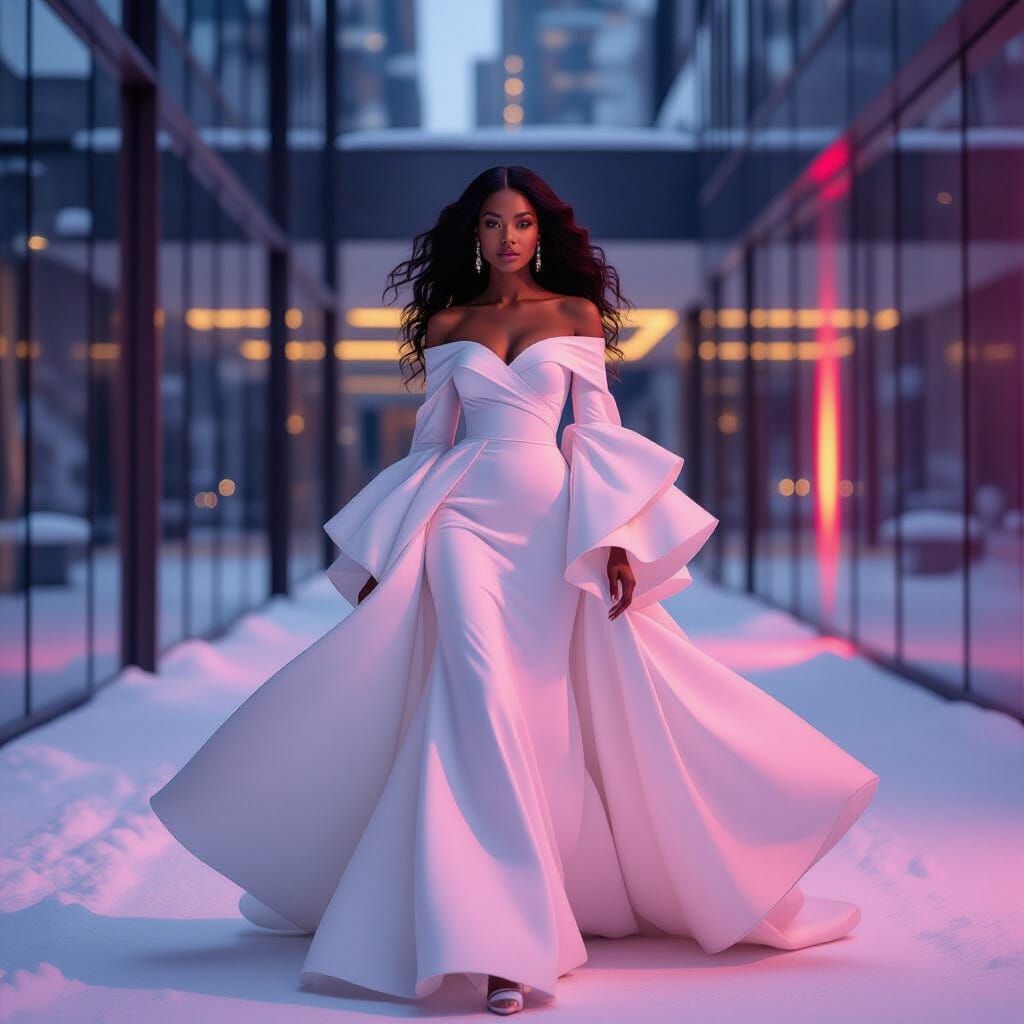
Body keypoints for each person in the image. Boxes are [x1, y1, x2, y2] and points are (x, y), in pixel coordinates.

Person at [149, 165, 880, 1016]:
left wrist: (615, 540)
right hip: (460, 522)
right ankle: (500, 946)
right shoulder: (449, 323)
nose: (508, 237)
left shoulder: (574, 316)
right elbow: (431, 447)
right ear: (475, 234)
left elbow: (599, 433)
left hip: (549, 530)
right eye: (493, 223)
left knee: (538, 713)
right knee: (477, 696)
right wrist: (390, 546)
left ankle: (527, 902)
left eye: (523, 222)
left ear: (541, 232)